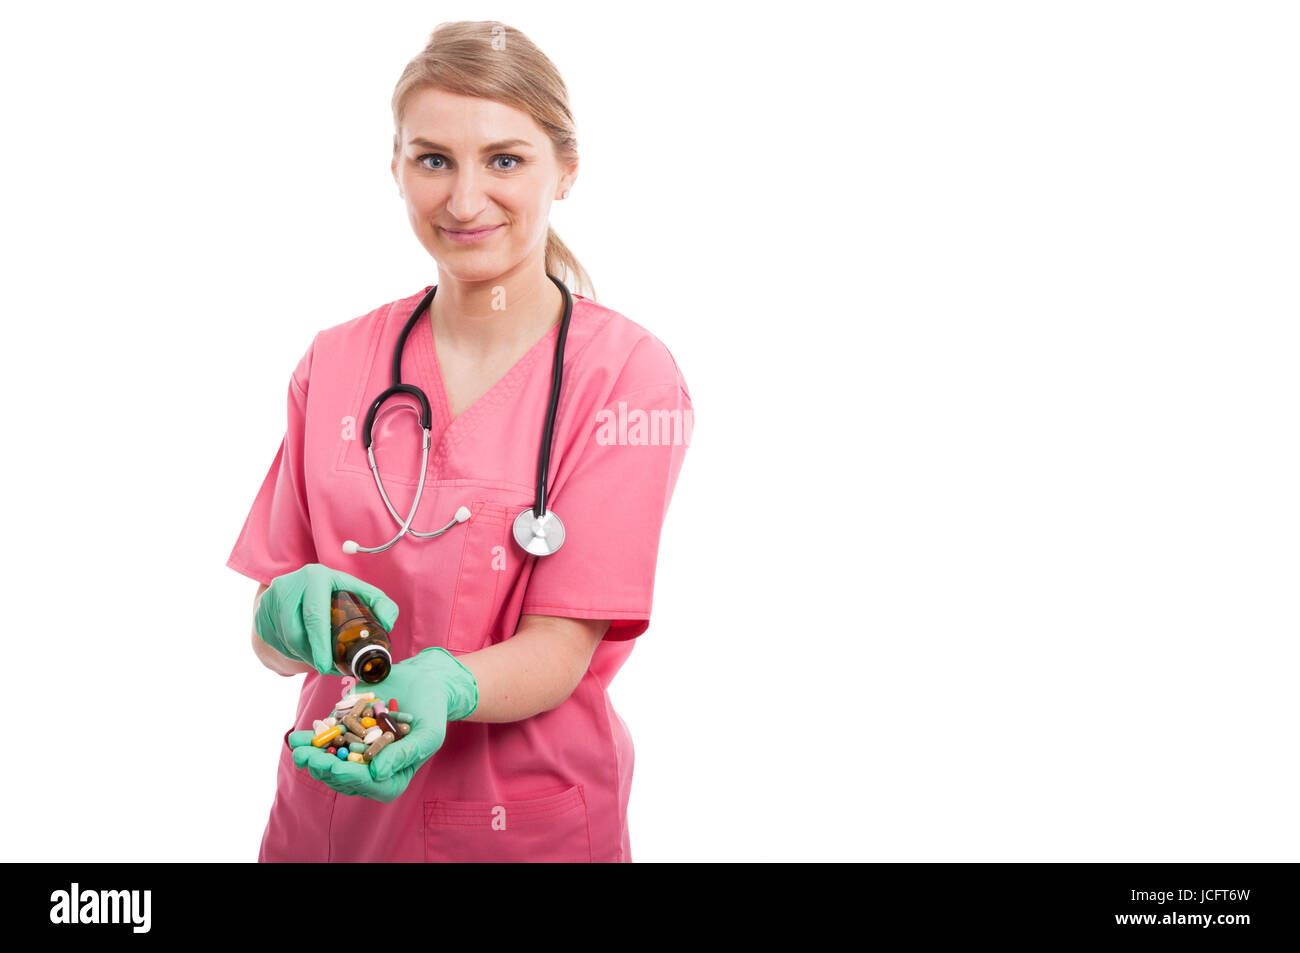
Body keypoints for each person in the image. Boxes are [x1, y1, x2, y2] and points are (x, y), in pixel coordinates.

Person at [226, 21, 693, 862]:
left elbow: (561, 645)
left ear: (567, 171)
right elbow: (270, 632)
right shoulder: (334, 362)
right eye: (433, 159)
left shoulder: (626, 376)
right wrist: (280, 618)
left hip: (523, 824)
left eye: (505, 160)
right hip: (330, 814)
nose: (465, 200)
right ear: (397, 167)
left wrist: (451, 679)